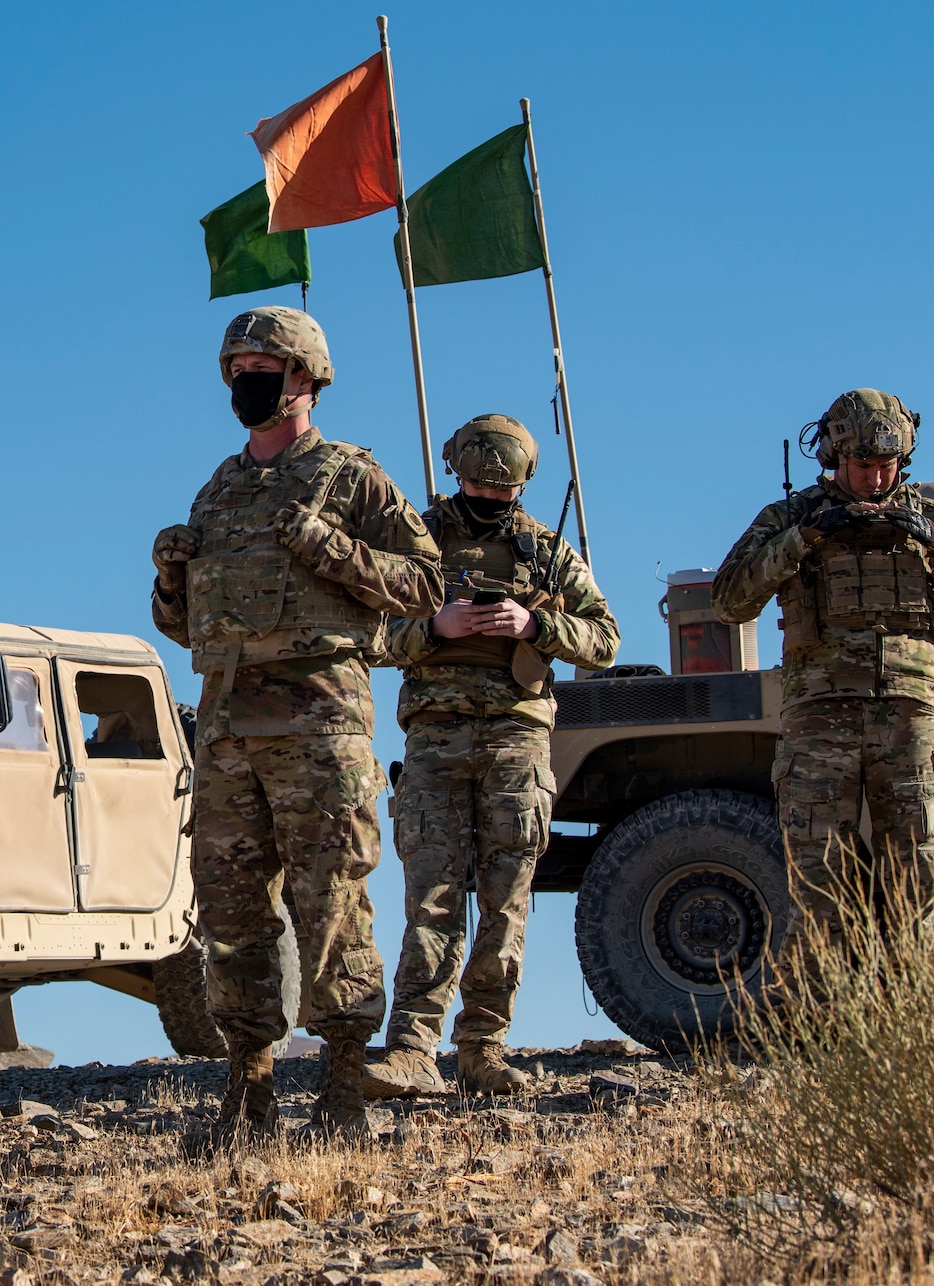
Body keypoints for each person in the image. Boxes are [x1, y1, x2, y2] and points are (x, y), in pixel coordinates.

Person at [150, 306, 443, 1141]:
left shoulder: (351, 478)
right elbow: (187, 626)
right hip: (227, 730)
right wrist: (172, 575)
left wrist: (332, 549)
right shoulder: (221, 486)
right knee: (232, 912)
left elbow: (426, 586)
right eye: (236, 366)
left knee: (332, 904)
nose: (246, 379)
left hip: (320, 724)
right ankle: (249, 1091)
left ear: (305, 379)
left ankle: (344, 1091)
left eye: (263, 365)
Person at [362, 416, 619, 1098]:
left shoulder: (547, 549)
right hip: (435, 739)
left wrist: (535, 625)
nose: (487, 496)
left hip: (516, 740)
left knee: (506, 904)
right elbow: (364, 632)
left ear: (522, 484)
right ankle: (413, 1050)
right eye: (477, 483)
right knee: (432, 899)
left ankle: (482, 1048)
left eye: (501, 488)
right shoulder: (416, 540)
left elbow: (605, 638)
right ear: (456, 472)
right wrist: (434, 629)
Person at [713, 389, 934, 955]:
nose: (875, 480)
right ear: (836, 458)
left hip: (909, 719)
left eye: (886, 466)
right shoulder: (792, 517)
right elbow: (730, 600)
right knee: (821, 888)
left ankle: (915, 1037)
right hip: (819, 721)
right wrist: (806, 538)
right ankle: (826, 1036)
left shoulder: (933, 520)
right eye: (863, 466)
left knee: (917, 884)